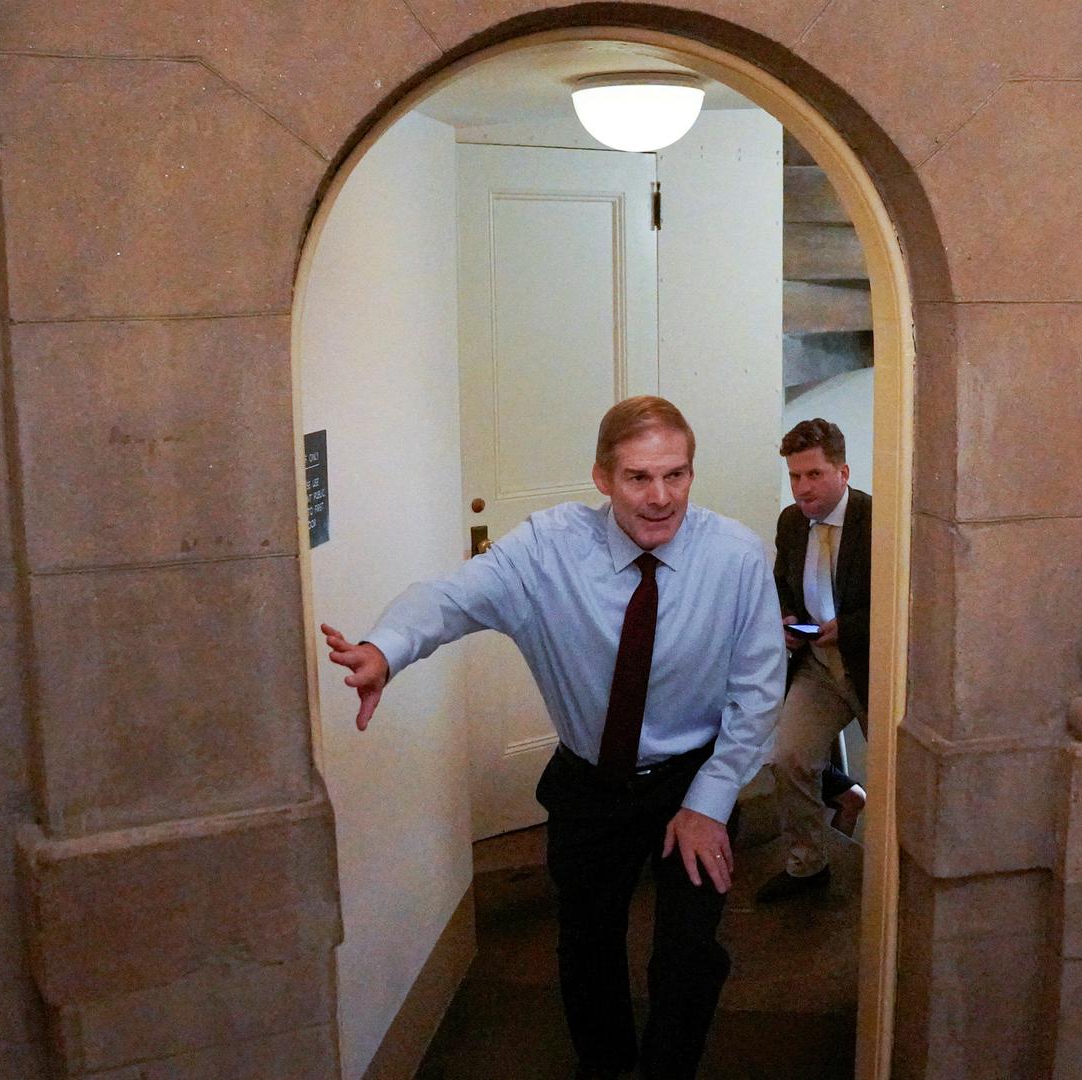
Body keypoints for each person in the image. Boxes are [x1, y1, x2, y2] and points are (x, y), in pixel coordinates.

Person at [322, 396, 784, 1080]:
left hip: (695, 779)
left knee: (687, 954)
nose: (661, 498)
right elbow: (451, 598)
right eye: (638, 478)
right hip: (590, 787)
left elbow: (758, 692)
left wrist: (708, 803)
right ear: (602, 478)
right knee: (586, 945)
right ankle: (605, 1067)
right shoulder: (546, 549)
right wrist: (386, 650)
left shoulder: (737, 559)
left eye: (676, 475)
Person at [755, 418, 871, 904]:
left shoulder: (877, 520)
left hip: (871, 668)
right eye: (795, 477)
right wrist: (786, 616)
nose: (803, 488)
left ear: (843, 472)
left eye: (814, 475)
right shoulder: (791, 521)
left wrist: (850, 627)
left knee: (900, 774)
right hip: (820, 668)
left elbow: (908, 596)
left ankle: (898, 879)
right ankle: (808, 864)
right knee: (790, 757)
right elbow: (785, 581)